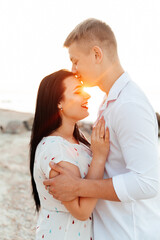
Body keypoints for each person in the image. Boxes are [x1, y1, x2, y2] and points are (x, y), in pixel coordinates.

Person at [44, 19, 160, 240]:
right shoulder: (111, 101)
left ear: (97, 55)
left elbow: (147, 184)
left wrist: (78, 187)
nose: (73, 70)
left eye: (75, 61)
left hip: (130, 234)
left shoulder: (130, 105)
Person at [30, 69, 110, 240]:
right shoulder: (55, 149)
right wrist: (99, 157)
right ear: (59, 102)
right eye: (77, 92)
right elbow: (81, 210)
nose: (87, 96)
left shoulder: (77, 143)